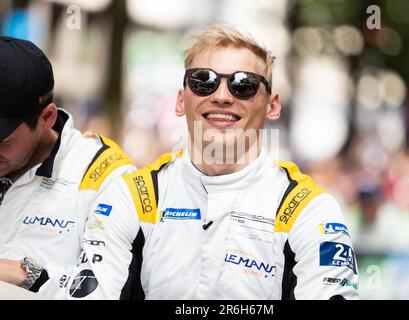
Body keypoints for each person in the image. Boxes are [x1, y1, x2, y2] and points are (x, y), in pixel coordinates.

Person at [63, 24, 358, 299]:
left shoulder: (309, 210)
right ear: (181, 100)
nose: (222, 96)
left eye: (244, 85)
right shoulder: (132, 196)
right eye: (203, 81)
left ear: (272, 105)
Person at [0, 36, 135, 298]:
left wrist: (22, 274)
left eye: (2, 140)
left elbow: (106, 292)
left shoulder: (106, 176)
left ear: (47, 117)